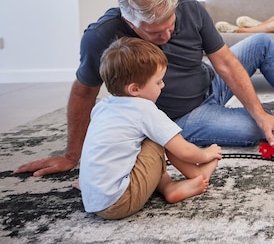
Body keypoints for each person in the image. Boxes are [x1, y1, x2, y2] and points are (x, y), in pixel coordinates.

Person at [15, 0, 274, 178]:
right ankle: (262, 110)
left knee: (260, 43)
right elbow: (83, 93)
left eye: (171, 26)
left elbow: (226, 62)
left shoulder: (191, 8)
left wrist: (256, 111)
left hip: (210, 83)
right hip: (182, 117)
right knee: (255, 132)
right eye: (156, 33)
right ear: (132, 23)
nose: (167, 35)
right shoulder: (102, 37)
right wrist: (72, 156)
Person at [75, 37, 222, 219]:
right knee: (160, 138)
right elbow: (183, 150)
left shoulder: (102, 106)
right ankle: (193, 175)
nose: (163, 85)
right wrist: (206, 154)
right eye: (158, 82)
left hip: (93, 199)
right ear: (135, 89)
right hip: (121, 201)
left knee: (146, 138)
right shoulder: (143, 109)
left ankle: (167, 185)